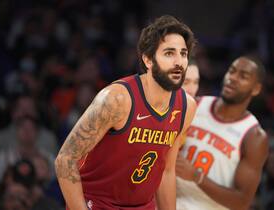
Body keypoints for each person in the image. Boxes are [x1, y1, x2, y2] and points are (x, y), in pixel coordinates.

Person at [55, 15, 197, 210]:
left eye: (183, 53)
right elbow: (65, 159)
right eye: (169, 53)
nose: (179, 61)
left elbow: (166, 171)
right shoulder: (117, 99)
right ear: (148, 59)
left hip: (142, 206)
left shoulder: (186, 106)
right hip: (98, 203)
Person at [176, 55, 269, 210]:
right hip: (170, 202)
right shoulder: (195, 105)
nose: (233, 78)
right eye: (231, 71)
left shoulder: (254, 137)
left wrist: (196, 176)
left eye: (243, 76)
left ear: (256, 89)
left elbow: (242, 202)